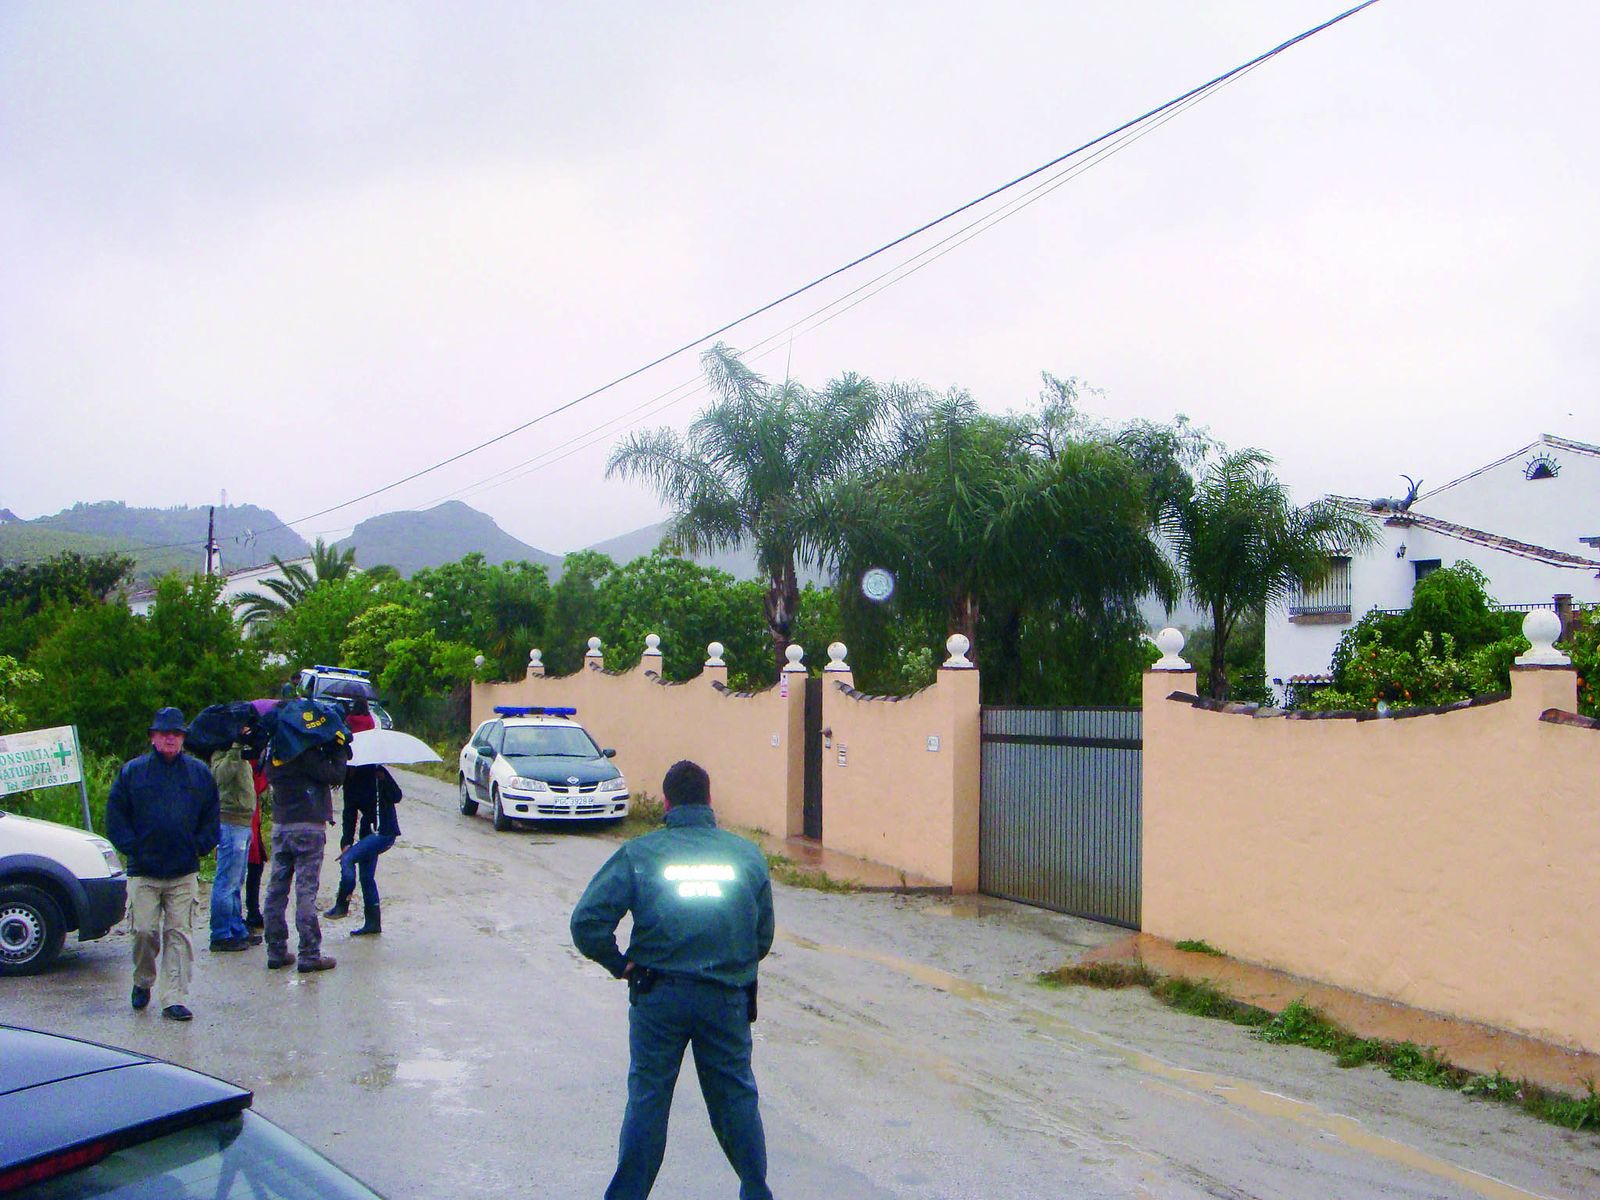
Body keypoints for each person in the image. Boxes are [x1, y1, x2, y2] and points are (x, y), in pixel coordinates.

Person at [571, 760, 775, 1200]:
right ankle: (756, 1191)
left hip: (657, 996)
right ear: (709, 799)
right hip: (725, 999)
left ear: (665, 802)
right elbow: (762, 938)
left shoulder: (639, 854)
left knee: (648, 1099)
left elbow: (587, 922)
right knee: (735, 1098)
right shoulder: (746, 856)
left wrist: (619, 963)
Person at [105, 707, 220, 1022]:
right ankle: (143, 980)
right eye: (165, 733)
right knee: (144, 932)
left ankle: (174, 998)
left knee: (178, 934)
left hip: (183, 871)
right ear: (153, 737)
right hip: (144, 871)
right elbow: (115, 815)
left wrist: (198, 846)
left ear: (183, 738)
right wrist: (132, 848)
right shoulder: (133, 772)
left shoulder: (198, 773)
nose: (171, 738)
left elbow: (212, 815)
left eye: (177, 734)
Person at [262, 709, 348, 974]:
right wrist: (339, 748)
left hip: (280, 826)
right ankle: (309, 954)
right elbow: (336, 775)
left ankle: (276, 950)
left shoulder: (274, 751)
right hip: (308, 827)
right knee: (305, 892)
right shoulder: (307, 752)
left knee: (276, 890)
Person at [325, 763, 401, 936]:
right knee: (366, 877)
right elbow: (349, 814)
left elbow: (397, 796)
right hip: (369, 833)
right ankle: (373, 923)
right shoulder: (350, 782)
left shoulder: (376, 771)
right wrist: (346, 842)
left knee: (347, 860)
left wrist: (383, 781)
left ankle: (342, 904)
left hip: (384, 831)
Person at [208, 735, 260, 951]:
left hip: (243, 822)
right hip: (229, 822)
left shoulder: (240, 753)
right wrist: (236, 747)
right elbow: (221, 777)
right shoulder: (222, 753)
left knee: (237, 880)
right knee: (226, 881)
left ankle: (236, 928)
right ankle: (220, 933)